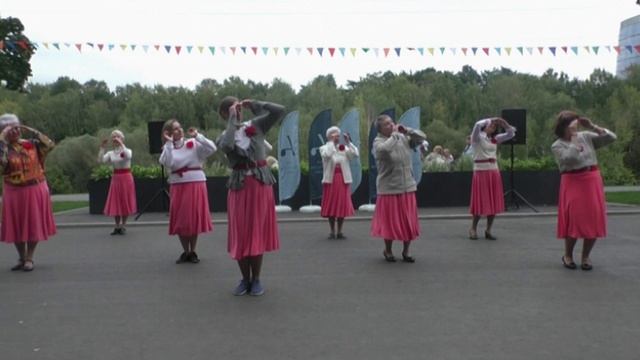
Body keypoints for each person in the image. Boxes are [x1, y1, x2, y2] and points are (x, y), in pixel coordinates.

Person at [217, 97, 285, 296]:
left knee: (256, 231)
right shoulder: (223, 135)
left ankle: (256, 279)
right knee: (241, 232)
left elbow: (279, 110)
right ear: (223, 113)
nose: (237, 110)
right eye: (231, 108)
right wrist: (232, 119)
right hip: (239, 187)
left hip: (259, 185)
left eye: (238, 107)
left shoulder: (256, 125)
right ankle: (244, 278)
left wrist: (256, 104)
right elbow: (228, 146)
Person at [551, 111, 616, 271]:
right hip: (572, 181)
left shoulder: (586, 136)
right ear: (564, 126)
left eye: (576, 123)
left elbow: (611, 137)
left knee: (593, 218)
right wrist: (573, 137)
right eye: (572, 124)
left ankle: (586, 256)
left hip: (591, 179)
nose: (576, 126)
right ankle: (568, 255)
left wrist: (593, 126)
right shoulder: (557, 145)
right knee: (575, 218)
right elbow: (570, 158)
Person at [0, 114, 56, 272]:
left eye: (16, 127)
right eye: (9, 128)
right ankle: (21, 257)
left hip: (35, 188)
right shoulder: (3, 149)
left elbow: (50, 145)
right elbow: (2, 163)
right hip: (14, 190)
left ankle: (30, 257)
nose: (14, 131)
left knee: (33, 223)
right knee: (16, 225)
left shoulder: (32, 144)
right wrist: (2, 140)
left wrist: (31, 130)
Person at [159, 119, 217, 264]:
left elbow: (212, 148)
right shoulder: (168, 148)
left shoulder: (193, 143)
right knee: (181, 219)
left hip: (195, 182)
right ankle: (186, 251)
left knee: (193, 218)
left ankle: (192, 250)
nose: (179, 131)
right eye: (174, 129)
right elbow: (169, 163)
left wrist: (198, 136)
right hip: (178, 184)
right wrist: (168, 143)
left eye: (180, 128)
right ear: (168, 133)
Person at [371, 114, 426, 263]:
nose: (391, 125)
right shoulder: (378, 142)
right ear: (380, 129)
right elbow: (383, 151)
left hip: (407, 186)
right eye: (387, 124)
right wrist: (395, 135)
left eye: (392, 123)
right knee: (390, 222)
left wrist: (407, 130)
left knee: (408, 222)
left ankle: (406, 251)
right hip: (389, 188)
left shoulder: (403, 138)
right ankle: (388, 250)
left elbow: (422, 138)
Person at [468, 117, 516, 240]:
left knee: (493, 201)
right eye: (491, 126)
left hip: (493, 171)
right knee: (480, 201)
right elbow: (477, 124)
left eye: (494, 127)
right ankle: (473, 228)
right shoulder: (477, 137)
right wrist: (490, 119)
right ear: (486, 126)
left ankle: (488, 229)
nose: (493, 128)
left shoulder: (494, 139)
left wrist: (504, 123)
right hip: (481, 171)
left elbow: (511, 134)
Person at [319, 126, 359, 239]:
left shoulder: (343, 148)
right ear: (330, 136)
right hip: (330, 180)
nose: (338, 138)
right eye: (335, 135)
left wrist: (349, 142)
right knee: (332, 205)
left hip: (342, 179)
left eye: (338, 135)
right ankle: (332, 231)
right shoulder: (324, 148)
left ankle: (340, 231)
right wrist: (331, 142)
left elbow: (355, 154)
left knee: (341, 205)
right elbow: (327, 155)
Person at [98, 130, 137, 235]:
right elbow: (101, 160)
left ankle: (123, 225)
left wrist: (121, 144)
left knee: (124, 201)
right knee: (116, 201)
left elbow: (128, 156)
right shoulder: (111, 153)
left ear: (122, 138)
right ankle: (116, 226)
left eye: (117, 137)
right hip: (116, 178)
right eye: (114, 137)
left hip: (126, 178)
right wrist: (102, 148)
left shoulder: (127, 150)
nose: (115, 139)